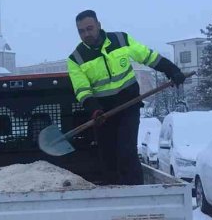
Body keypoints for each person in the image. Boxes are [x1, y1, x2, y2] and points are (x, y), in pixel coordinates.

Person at [67, 9, 185, 185]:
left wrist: (172, 70)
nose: (86, 34)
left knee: (127, 152)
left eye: (89, 28)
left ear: (99, 25)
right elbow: (82, 90)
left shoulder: (120, 40)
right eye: (81, 31)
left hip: (129, 105)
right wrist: (94, 109)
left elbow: (148, 56)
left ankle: (135, 192)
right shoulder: (76, 59)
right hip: (103, 114)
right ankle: (114, 195)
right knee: (108, 156)